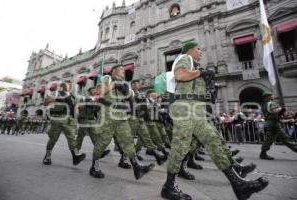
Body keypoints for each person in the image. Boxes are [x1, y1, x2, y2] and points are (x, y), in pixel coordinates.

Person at [161, 41, 268, 200]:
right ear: (190, 50)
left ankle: (238, 184)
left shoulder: (194, 65)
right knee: (181, 146)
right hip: (185, 108)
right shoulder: (185, 58)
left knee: (213, 140)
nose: (201, 51)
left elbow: (200, 92)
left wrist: (209, 87)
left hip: (196, 109)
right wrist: (201, 73)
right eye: (198, 48)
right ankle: (168, 187)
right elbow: (180, 75)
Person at [90, 65, 154, 180]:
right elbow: (98, 91)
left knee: (128, 140)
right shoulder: (107, 79)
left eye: (124, 70)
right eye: (121, 69)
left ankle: (137, 167)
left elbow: (130, 100)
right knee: (103, 142)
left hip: (121, 116)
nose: (123, 71)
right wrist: (114, 85)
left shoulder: (126, 84)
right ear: (113, 71)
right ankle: (94, 166)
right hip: (108, 115)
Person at [42, 82, 86, 166]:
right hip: (57, 118)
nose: (70, 86)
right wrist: (58, 99)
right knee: (53, 138)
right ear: (62, 86)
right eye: (68, 84)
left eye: (71, 84)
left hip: (69, 120)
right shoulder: (56, 93)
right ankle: (47, 156)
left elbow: (77, 108)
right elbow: (46, 102)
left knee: (72, 138)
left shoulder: (73, 96)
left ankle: (75, 157)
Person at [259, 91, 297, 160]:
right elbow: (274, 111)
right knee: (285, 138)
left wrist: (288, 120)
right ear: (268, 97)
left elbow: (274, 116)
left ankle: (263, 153)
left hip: (271, 123)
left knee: (269, 139)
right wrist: (281, 109)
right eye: (272, 95)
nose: (273, 96)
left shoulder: (264, 105)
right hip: (274, 124)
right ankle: (263, 153)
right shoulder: (271, 103)